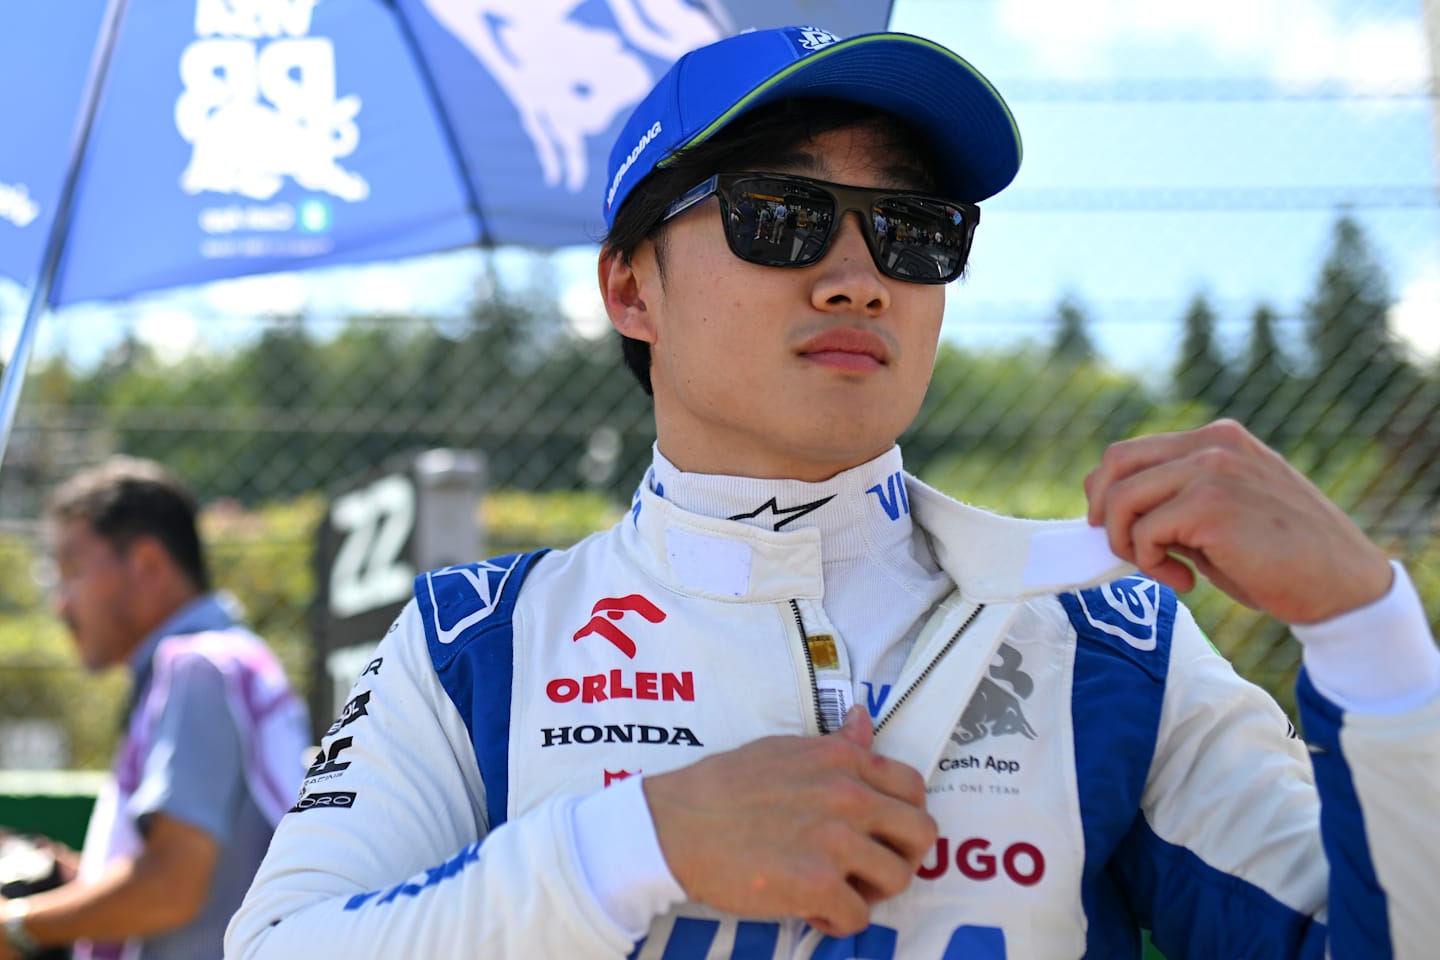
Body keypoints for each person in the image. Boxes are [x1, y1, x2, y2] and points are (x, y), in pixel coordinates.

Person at [225, 25, 1440, 960]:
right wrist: (634, 846)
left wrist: (1369, 635)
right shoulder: (474, 645)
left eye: (913, 230)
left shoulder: (1106, 637)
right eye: (781, 215)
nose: (861, 277)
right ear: (630, 289)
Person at [0, 458, 309, 960]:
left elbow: (170, 887)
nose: (60, 604)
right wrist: (83, 879)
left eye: (70, 573)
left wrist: (16, 926)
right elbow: (217, 875)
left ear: (147, 563)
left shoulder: (199, 668)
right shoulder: (233, 661)